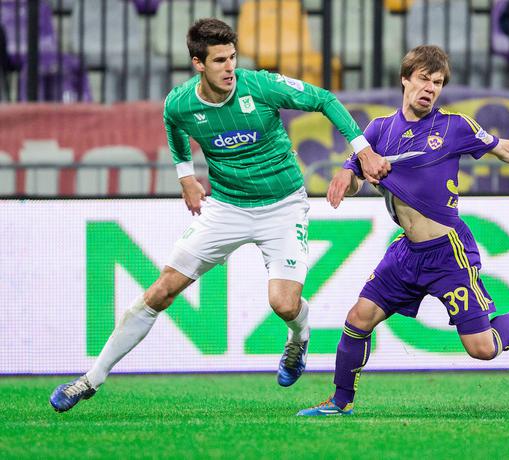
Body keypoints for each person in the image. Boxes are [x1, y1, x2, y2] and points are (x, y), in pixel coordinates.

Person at [49, 18, 387, 413]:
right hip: (225, 208)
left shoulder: (259, 85)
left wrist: (362, 149)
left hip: (283, 206)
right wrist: (186, 176)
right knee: (161, 291)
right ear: (198, 63)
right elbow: (173, 126)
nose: (230, 68)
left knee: (284, 304)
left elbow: (325, 99)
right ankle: (89, 380)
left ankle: (299, 337)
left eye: (233, 58)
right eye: (219, 61)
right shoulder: (180, 102)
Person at [297, 45, 509, 416]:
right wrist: (346, 175)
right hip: (406, 253)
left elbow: (505, 150)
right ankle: (339, 402)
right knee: (358, 318)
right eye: (424, 79)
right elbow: (355, 180)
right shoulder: (379, 130)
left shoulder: (453, 126)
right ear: (405, 79)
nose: (430, 88)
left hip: (448, 253)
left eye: (438, 82)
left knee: (482, 349)